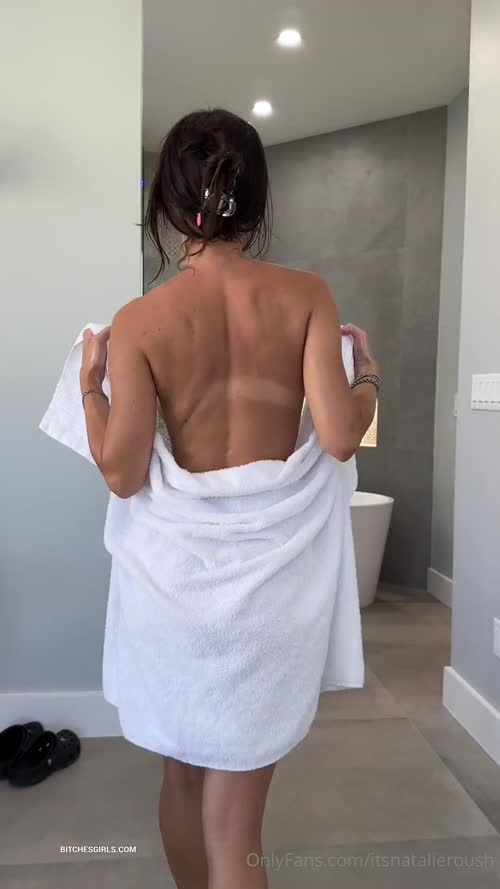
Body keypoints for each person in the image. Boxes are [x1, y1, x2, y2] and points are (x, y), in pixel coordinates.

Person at [79, 108, 379, 889]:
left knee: (181, 781)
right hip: (270, 594)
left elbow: (123, 473)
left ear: (168, 204)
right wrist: (369, 378)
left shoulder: (140, 321)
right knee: (237, 825)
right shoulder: (305, 295)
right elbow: (340, 436)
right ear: (258, 200)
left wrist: (90, 389)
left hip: (173, 587)